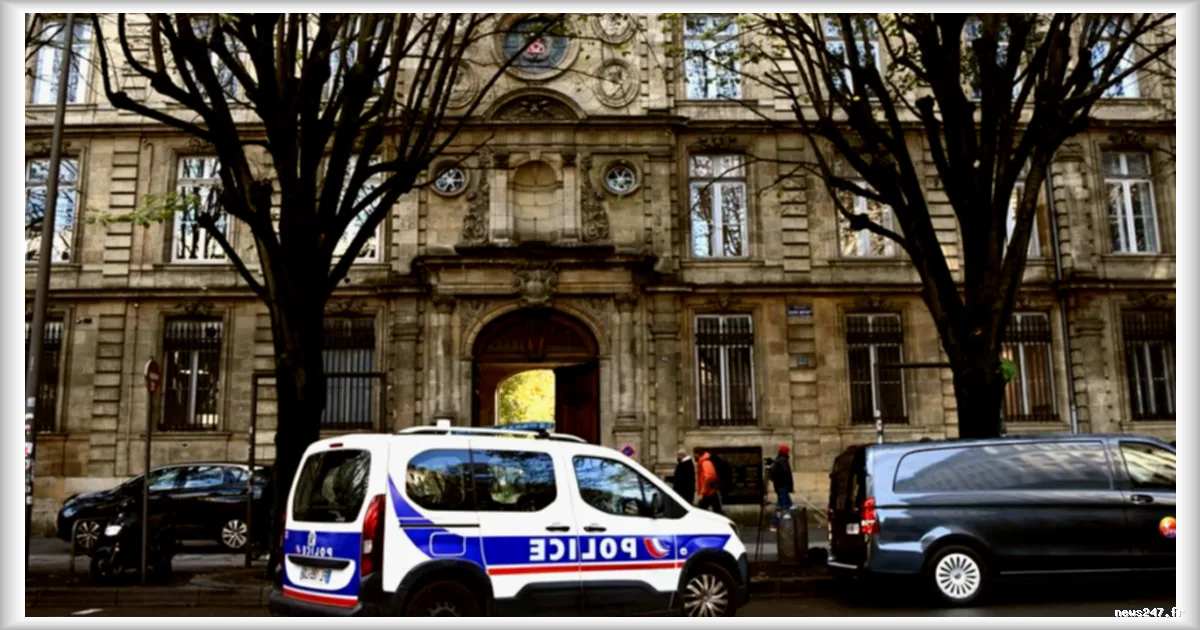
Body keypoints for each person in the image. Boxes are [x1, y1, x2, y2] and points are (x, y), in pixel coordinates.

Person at [769, 445, 794, 532]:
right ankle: (775, 523)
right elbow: (787, 475)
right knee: (783, 506)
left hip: (780, 487)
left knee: (788, 504)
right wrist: (789, 487)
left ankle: (777, 523)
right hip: (783, 487)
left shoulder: (778, 460)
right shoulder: (783, 461)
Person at [695, 449, 723, 515]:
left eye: (695, 455)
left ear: (698, 454)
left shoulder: (705, 463)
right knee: (716, 511)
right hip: (710, 491)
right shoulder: (704, 463)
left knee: (701, 512)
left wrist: (702, 493)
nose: (694, 457)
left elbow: (709, 478)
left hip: (709, 492)